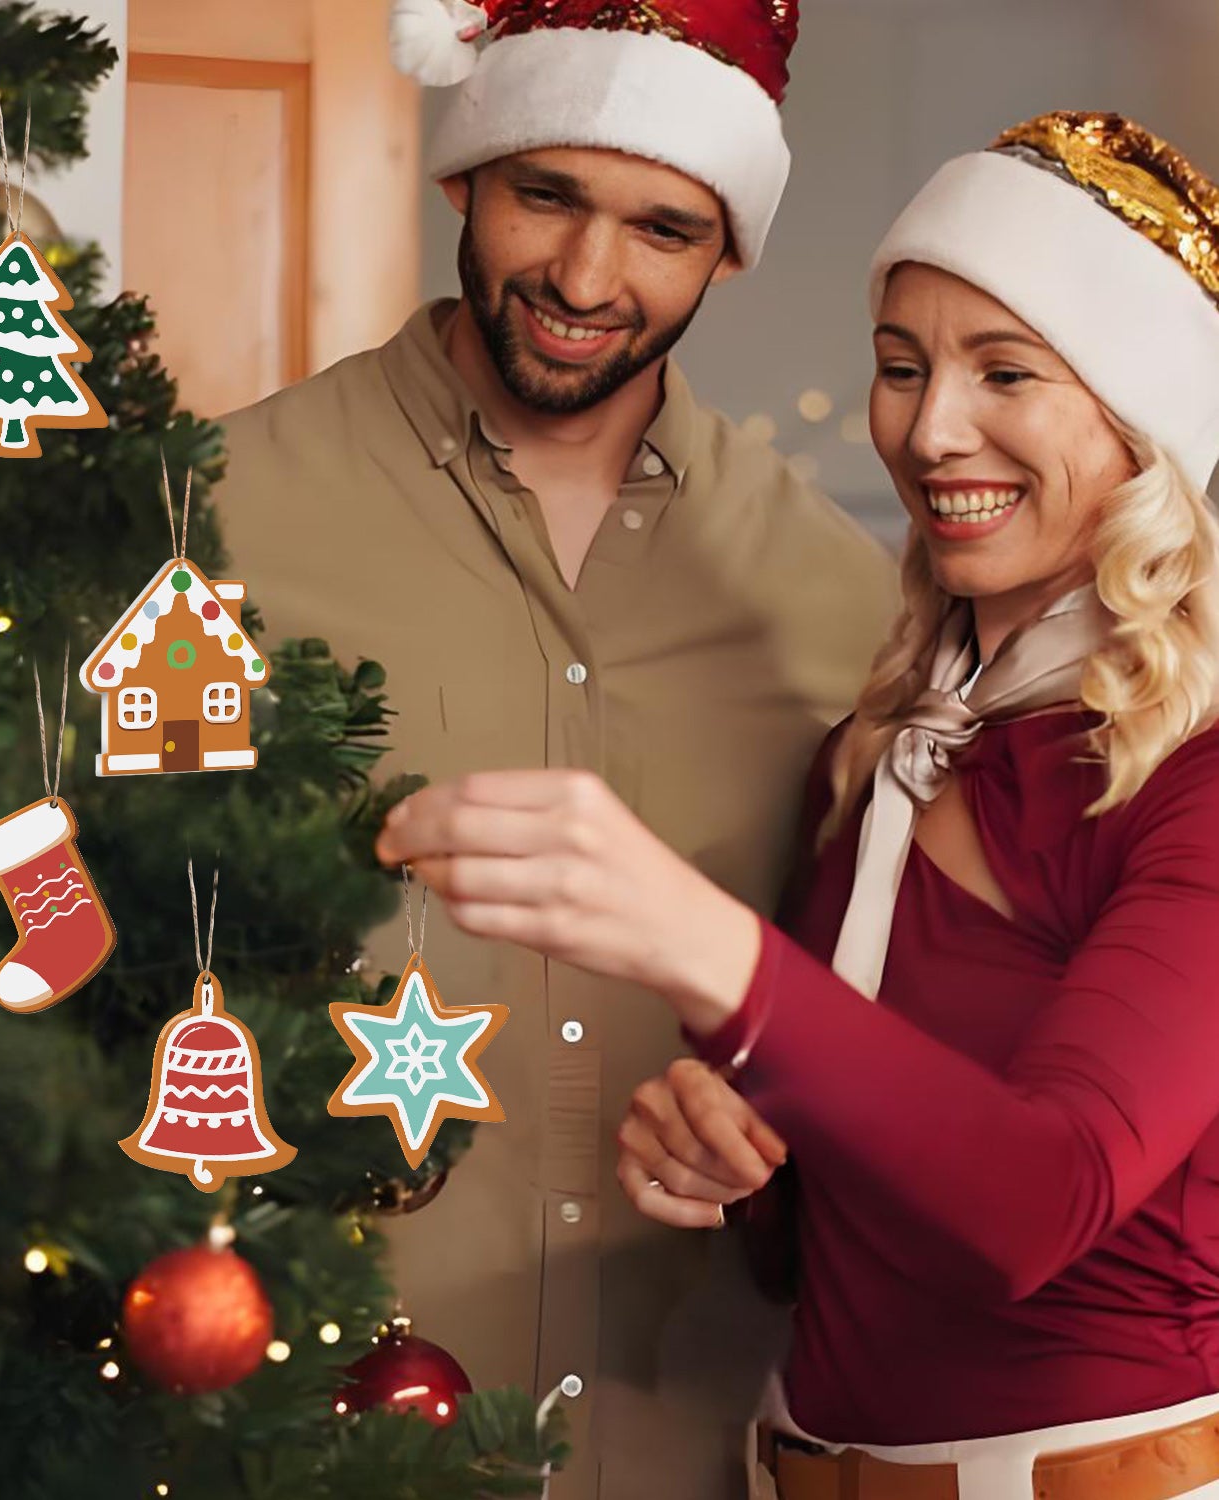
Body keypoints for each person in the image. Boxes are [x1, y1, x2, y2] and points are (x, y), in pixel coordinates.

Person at [376, 109, 1219, 1500]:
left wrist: (700, 945)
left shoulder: (1192, 775)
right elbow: (850, 1226)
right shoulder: (887, 750)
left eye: (1005, 371)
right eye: (901, 367)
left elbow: (1036, 1202)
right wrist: (738, 1162)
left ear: (1144, 423)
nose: (929, 427)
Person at [215, 1, 896, 1494]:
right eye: (548, 196)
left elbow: (892, 1033)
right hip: (297, 1426)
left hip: (699, 1436)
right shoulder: (213, 517)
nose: (589, 279)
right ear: (464, 175)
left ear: (726, 248)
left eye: (662, 227)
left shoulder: (844, 605)